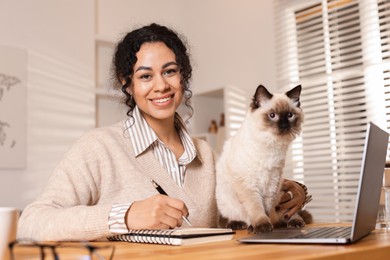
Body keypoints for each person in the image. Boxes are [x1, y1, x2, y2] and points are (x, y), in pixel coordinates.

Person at [17, 23, 310, 241]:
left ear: (183, 77)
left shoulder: (205, 155)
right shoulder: (98, 147)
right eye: (145, 76)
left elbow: (229, 218)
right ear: (127, 84)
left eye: (170, 71)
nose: (161, 86)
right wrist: (126, 216)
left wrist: (279, 199)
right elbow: (32, 222)